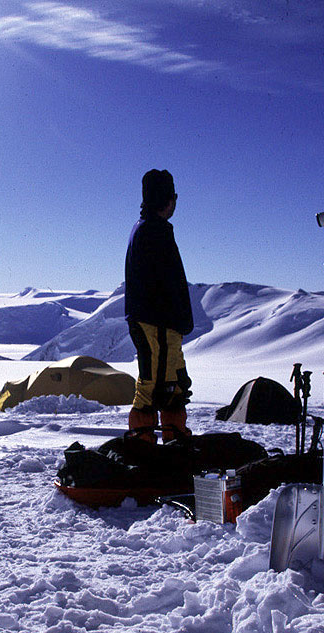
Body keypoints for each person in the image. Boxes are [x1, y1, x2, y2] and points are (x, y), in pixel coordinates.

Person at [125, 169, 193, 443]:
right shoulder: (154, 231)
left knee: (172, 387)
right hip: (158, 324)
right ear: (165, 199)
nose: (175, 202)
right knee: (154, 388)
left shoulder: (148, 228)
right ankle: (144, 448)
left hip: (160, 324)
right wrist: (178, 319)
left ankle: (171, 445)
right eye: (173, 197)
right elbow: (167, 283)